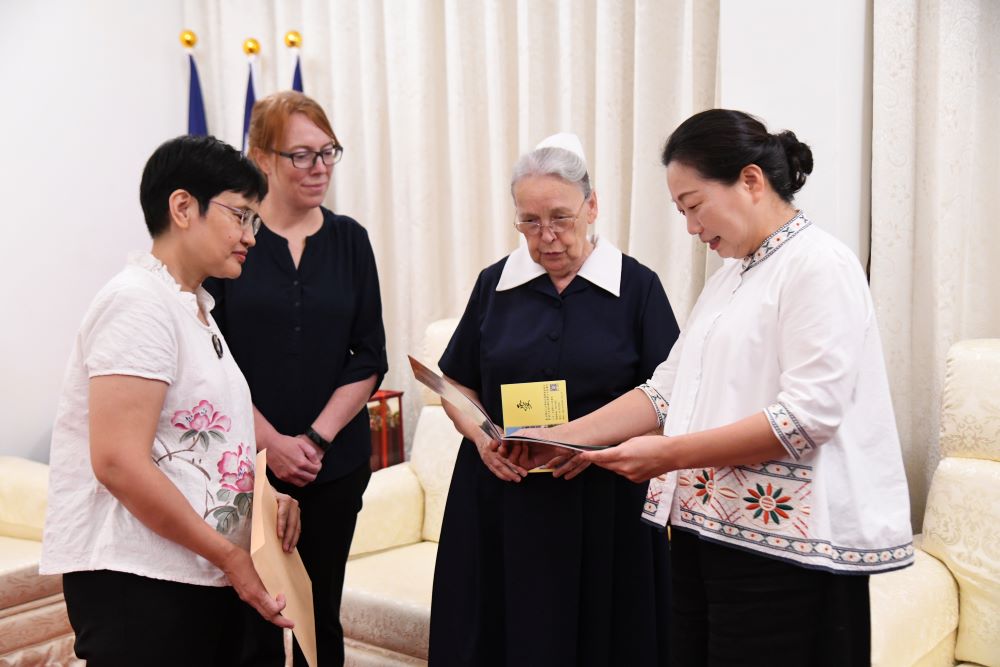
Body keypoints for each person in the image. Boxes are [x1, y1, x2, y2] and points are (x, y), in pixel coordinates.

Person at [518, 110, 914, 666]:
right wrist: (565, 437)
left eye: (694, 206)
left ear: (751, 181)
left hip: (786, 555)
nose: (691, 227)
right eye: (681, 211)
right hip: (709, 536)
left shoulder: (818, 266)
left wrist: (667, 455)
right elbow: (666, 392)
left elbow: (805, 419)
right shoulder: (731, 277)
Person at [40, 135, 302, 666]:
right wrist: (229, 557)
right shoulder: (137, 304)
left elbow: (195, 443)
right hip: (141, 580)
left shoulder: (193, 308)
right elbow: (117, 461)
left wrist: (262, 498)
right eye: (241, 215)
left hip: (194, 569)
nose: (252, 235)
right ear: (183, 207)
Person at [428, 133, 680, 666]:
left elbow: (669, 400)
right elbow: (455, 384)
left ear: (592, 207)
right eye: (529, 221)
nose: (546, 237)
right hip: (504, 493)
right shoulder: (494, 284)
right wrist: (480, 437)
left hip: (604, 497)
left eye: (561, 218)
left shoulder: (637, 288)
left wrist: (588, 443)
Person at [205, 90, 388, 666]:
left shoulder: (351, 241)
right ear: (262, 158)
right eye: (302, 155)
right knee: (252, 621)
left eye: (328, 152)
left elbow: (369, 355)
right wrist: (273, 445)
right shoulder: (234, 242)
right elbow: (214, 358)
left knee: (319, 616)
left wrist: (312, 441)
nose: (320, 168)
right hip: (246, 466)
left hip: (333, 466)